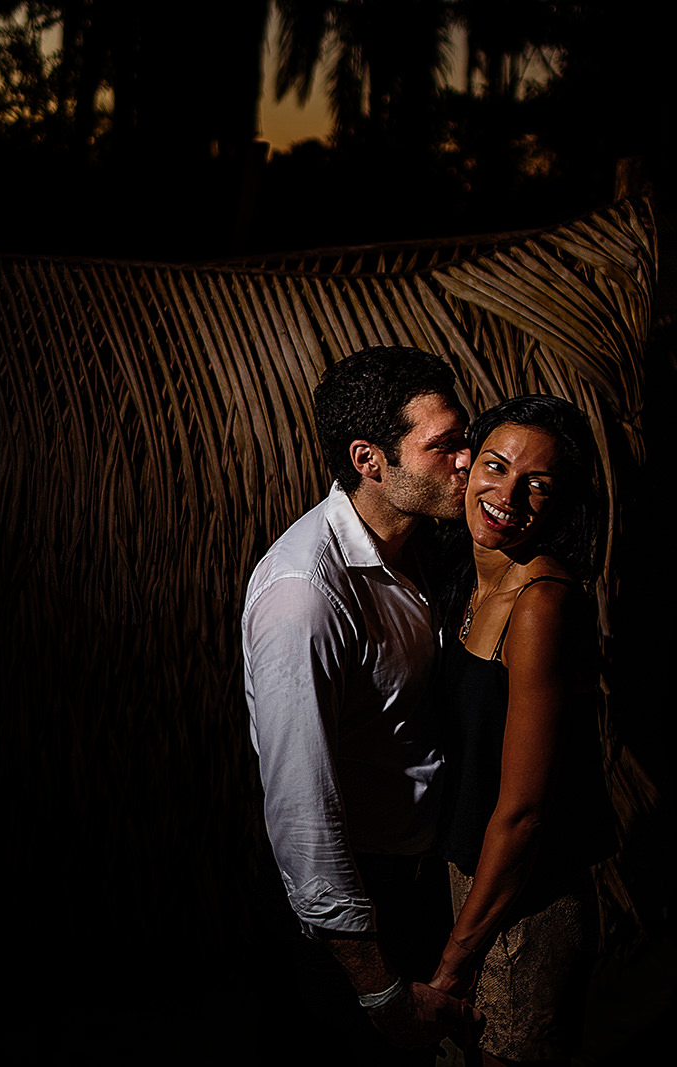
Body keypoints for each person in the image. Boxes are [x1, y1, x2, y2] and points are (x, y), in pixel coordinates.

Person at [243, 346, 480, 1051]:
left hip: (416, 879)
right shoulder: (304, 598)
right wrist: (376, 987)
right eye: (443, 446)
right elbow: (302, 811)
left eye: (463, 437)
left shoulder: (427, 544)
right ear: (371, 459)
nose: (466, 459)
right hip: (350, 912)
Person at [426, 395, 618, 1065]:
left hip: (521, 914)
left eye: (538, 484)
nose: (507, 494)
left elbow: (525, 814)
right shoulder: (471, 577)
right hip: (474, 892)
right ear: (466, 464)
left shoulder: (540, 606)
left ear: (561, 503)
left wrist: (455, 958)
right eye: (496, 465)